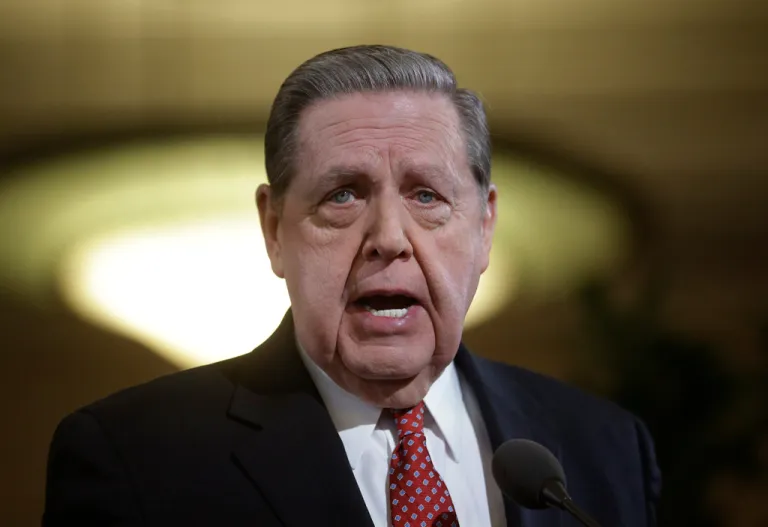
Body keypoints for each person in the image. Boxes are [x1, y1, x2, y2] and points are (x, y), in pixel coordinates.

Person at [43, 45, 660, 527]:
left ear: (485, 227)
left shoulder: (604, 450)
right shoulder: (134, 457)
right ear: (274, 229)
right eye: (343, 195)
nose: (388, 236)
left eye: (427, 195)